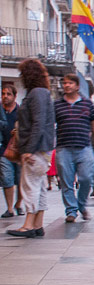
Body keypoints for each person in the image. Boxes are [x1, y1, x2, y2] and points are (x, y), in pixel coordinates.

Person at [7, 59, 55, 238]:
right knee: (39, 185)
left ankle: (28, 225)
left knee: (30, 186)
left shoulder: (37, 94)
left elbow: (38, 123)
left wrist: (29, 148)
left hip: (36, 148)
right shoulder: (42, 93)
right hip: (42, 147)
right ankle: (38, 224)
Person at [55, 73, 94, 222]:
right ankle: (71, 211)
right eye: (64, 83)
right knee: (66, 182)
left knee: (86, 178)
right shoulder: (57, 105)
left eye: (70, 83)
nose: (67, 85)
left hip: (84, 147)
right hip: (64, 148)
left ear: (77, 86)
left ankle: (82, 205)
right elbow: (50, 124)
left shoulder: (87, 104)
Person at [0, 83, 23, 218]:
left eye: (8, 94)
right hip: (4, 150)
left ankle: (18, 204)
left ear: (15, 96)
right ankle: (9, 209)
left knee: (20, 180)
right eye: (3, 94)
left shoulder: (20, 112)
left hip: (19, 150)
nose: (5, 97)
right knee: (7, 178)